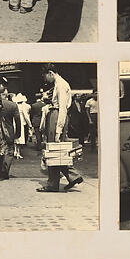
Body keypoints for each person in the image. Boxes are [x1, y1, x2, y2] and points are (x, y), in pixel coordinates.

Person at [37, 64, 83, 192]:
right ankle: (73, 176)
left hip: (57, 116)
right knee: (58, 150)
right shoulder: (58, 84)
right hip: (55, 114)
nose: (45, 80)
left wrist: (58, 130)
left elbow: (62, 108)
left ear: (50, 73)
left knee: (53, 150)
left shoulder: (61, 85)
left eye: (45, 76)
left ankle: (53, 184)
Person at [13, 93, 32, 159]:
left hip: (14, 121)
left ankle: (15, 151)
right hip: (20, 121)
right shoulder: (23, 106)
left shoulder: (15, 106)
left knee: (15, 137)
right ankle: (18, 152)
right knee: (20, 137)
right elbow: (26, 116)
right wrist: (30, 124)